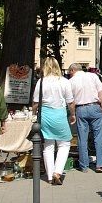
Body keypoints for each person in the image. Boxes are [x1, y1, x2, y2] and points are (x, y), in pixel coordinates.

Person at [33, 57, 75, 185]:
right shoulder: (64, 81)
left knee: (48, 145)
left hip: (45, 114)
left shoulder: (41, 82)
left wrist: (33, 114)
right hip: (60, 114)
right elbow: (71, 102)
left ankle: (50, 175)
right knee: (64, 144)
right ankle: (58, 171)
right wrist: (72, 114)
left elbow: (35, 102)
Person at [68, 63, 102, 173]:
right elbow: (101, 93)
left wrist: (73, 114)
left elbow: (70, 101)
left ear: (72, 70)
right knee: (98, 137)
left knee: (82, 138)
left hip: (80, 109)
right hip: (95, 106)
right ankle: (100, 165)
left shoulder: (71, 81)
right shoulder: (93, 76)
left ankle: (84, 166)